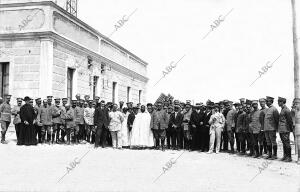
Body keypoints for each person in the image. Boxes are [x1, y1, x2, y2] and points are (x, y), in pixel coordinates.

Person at [278, 97, 293, 162]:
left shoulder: (286, 110)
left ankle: (289, 157)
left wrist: (290, 129)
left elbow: (290, 120)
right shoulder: (282, 109)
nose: (278, 103)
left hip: (285, 129)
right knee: (284, 143)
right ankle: (285, 156)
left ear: (282, 102)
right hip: (282, 129)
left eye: (279, 102)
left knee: (287, 143)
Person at [292, 98, 300, 164]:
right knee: (298, 144)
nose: (296, 105)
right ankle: (299, 158)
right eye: (295, 104)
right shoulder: (295, 112)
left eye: (297, 104)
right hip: (297, 130)